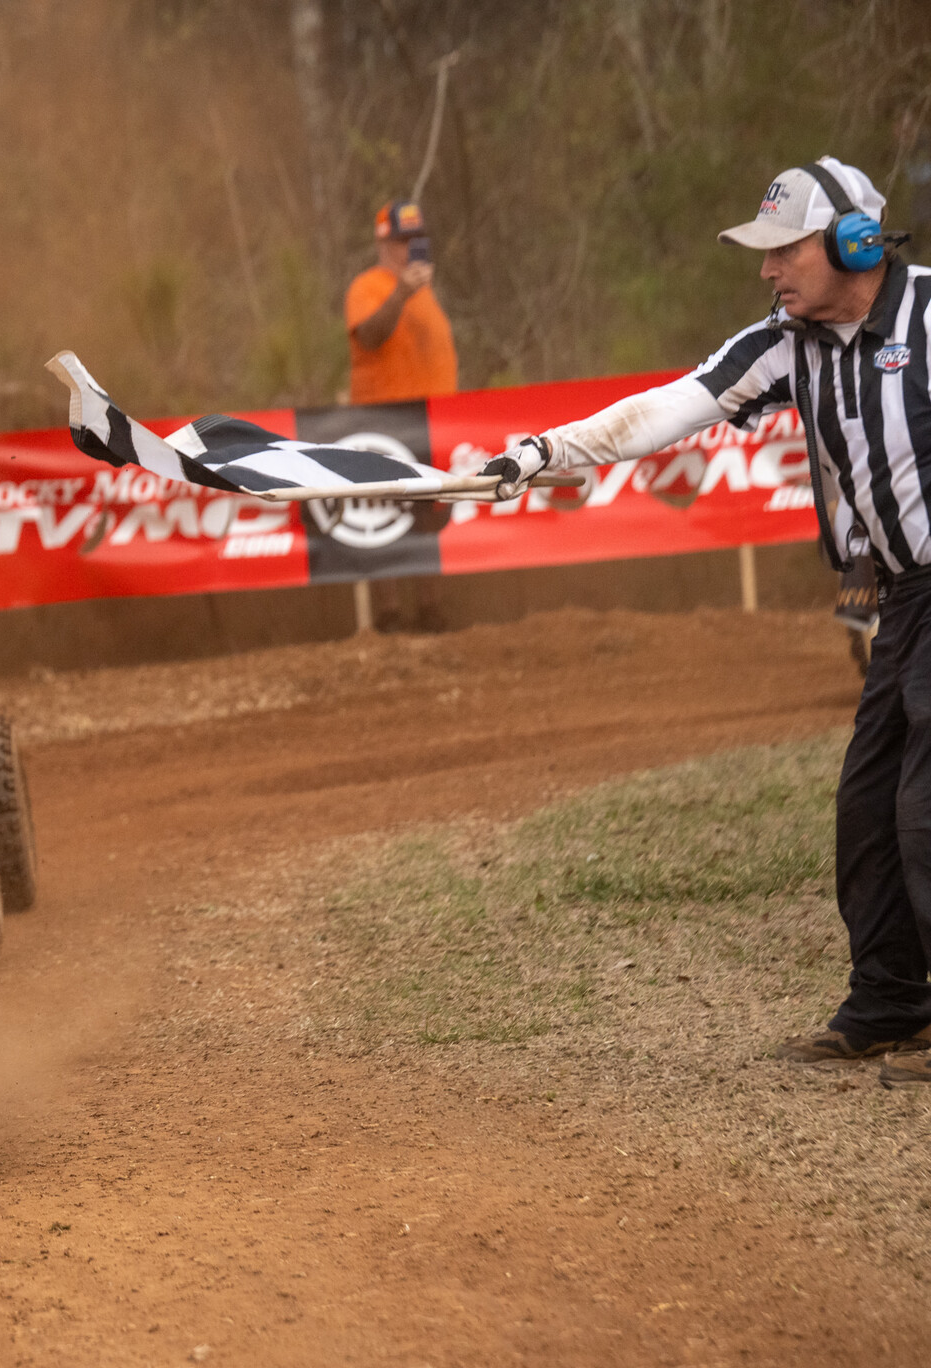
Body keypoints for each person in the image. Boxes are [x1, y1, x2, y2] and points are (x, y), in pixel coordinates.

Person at [484, 156, 929, 1085]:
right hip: (902, 598)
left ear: (854, 240)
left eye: (783, 250)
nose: (767, 271)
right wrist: (542, 451)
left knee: (925, 808)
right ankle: (891, 1003)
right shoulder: (784, 343)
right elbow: (664, 411)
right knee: (867, 807)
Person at [345, 200, 458, 404]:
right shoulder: (366, 285)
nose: (411, 247)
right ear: (383, 243)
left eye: (417, 239)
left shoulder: (425, 293)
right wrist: (401, 294)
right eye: (403, 240)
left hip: (437, 421)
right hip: (388, 421)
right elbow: (368, 337)